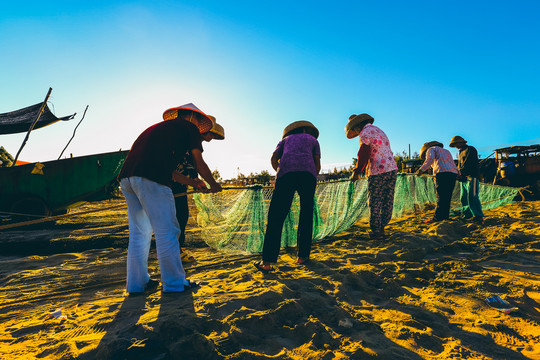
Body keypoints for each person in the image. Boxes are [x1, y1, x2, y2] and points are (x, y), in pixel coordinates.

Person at [118, 103, 222, 295]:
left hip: (127, 178)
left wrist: (193, 182)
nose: (200, 129)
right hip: (152, 179)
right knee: (168, 231)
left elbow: (170, 172)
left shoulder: (156, 129)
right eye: (199, 122)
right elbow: (198, 161)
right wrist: (213, 184)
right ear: (191, 117)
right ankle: (175, 283)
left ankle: (137, 285)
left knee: (139, 233)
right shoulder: (188, 127)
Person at [254, 121, 321, 273]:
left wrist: (280, 170)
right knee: (306, 215)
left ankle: (267, 261)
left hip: (286, 175)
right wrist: (313, 176)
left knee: (276, 216)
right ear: (305, 130)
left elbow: (273, 158)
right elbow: (317, 163)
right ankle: (302, 256)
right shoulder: (314, 140)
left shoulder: (284, 140)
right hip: (308, 176)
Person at [172, 116, 225, 263]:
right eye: (212, 134)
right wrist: (213, 184)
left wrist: (196, 181)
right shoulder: (191, 137)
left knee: (181, 216)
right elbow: (199, 163)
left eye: (215, 136)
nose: (212, 137)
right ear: (204, 130)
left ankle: (176, 250)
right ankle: (175, 252)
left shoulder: (193, 143)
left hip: (181, 182)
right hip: (173, 182)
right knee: (179, 217)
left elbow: (192, 165)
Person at [346, 113, 398, 240]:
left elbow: (363, 154)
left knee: (375, 201)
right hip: (392, 168)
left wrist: (357, 172)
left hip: (377, 171)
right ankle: (382, 227)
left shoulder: (365, 133)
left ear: (357, 126)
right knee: (387, 199)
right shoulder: (379, 130)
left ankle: (377, 231)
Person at [416, 141, 458, 223]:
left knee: (441, 196)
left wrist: (421, 170)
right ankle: (445, 217)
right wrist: (458, 173)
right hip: (452, 174)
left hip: (442, 173)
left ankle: (437, 218)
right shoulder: (446, 151)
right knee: (447, 197)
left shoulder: (431, 149)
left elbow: (429, 160)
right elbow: (452, 163)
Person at [450, 135, 484, 223]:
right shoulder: (460, 152)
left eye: (455, 143)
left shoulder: (470, 149)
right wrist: (457, 172)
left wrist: (460, 171)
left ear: (461, 142)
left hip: (472, 176)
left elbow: (467, 163)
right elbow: (460, 165)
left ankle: (478, 215)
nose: (455, 146)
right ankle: (467, 214)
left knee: (472, 196)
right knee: (463, 197)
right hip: (463, 178)